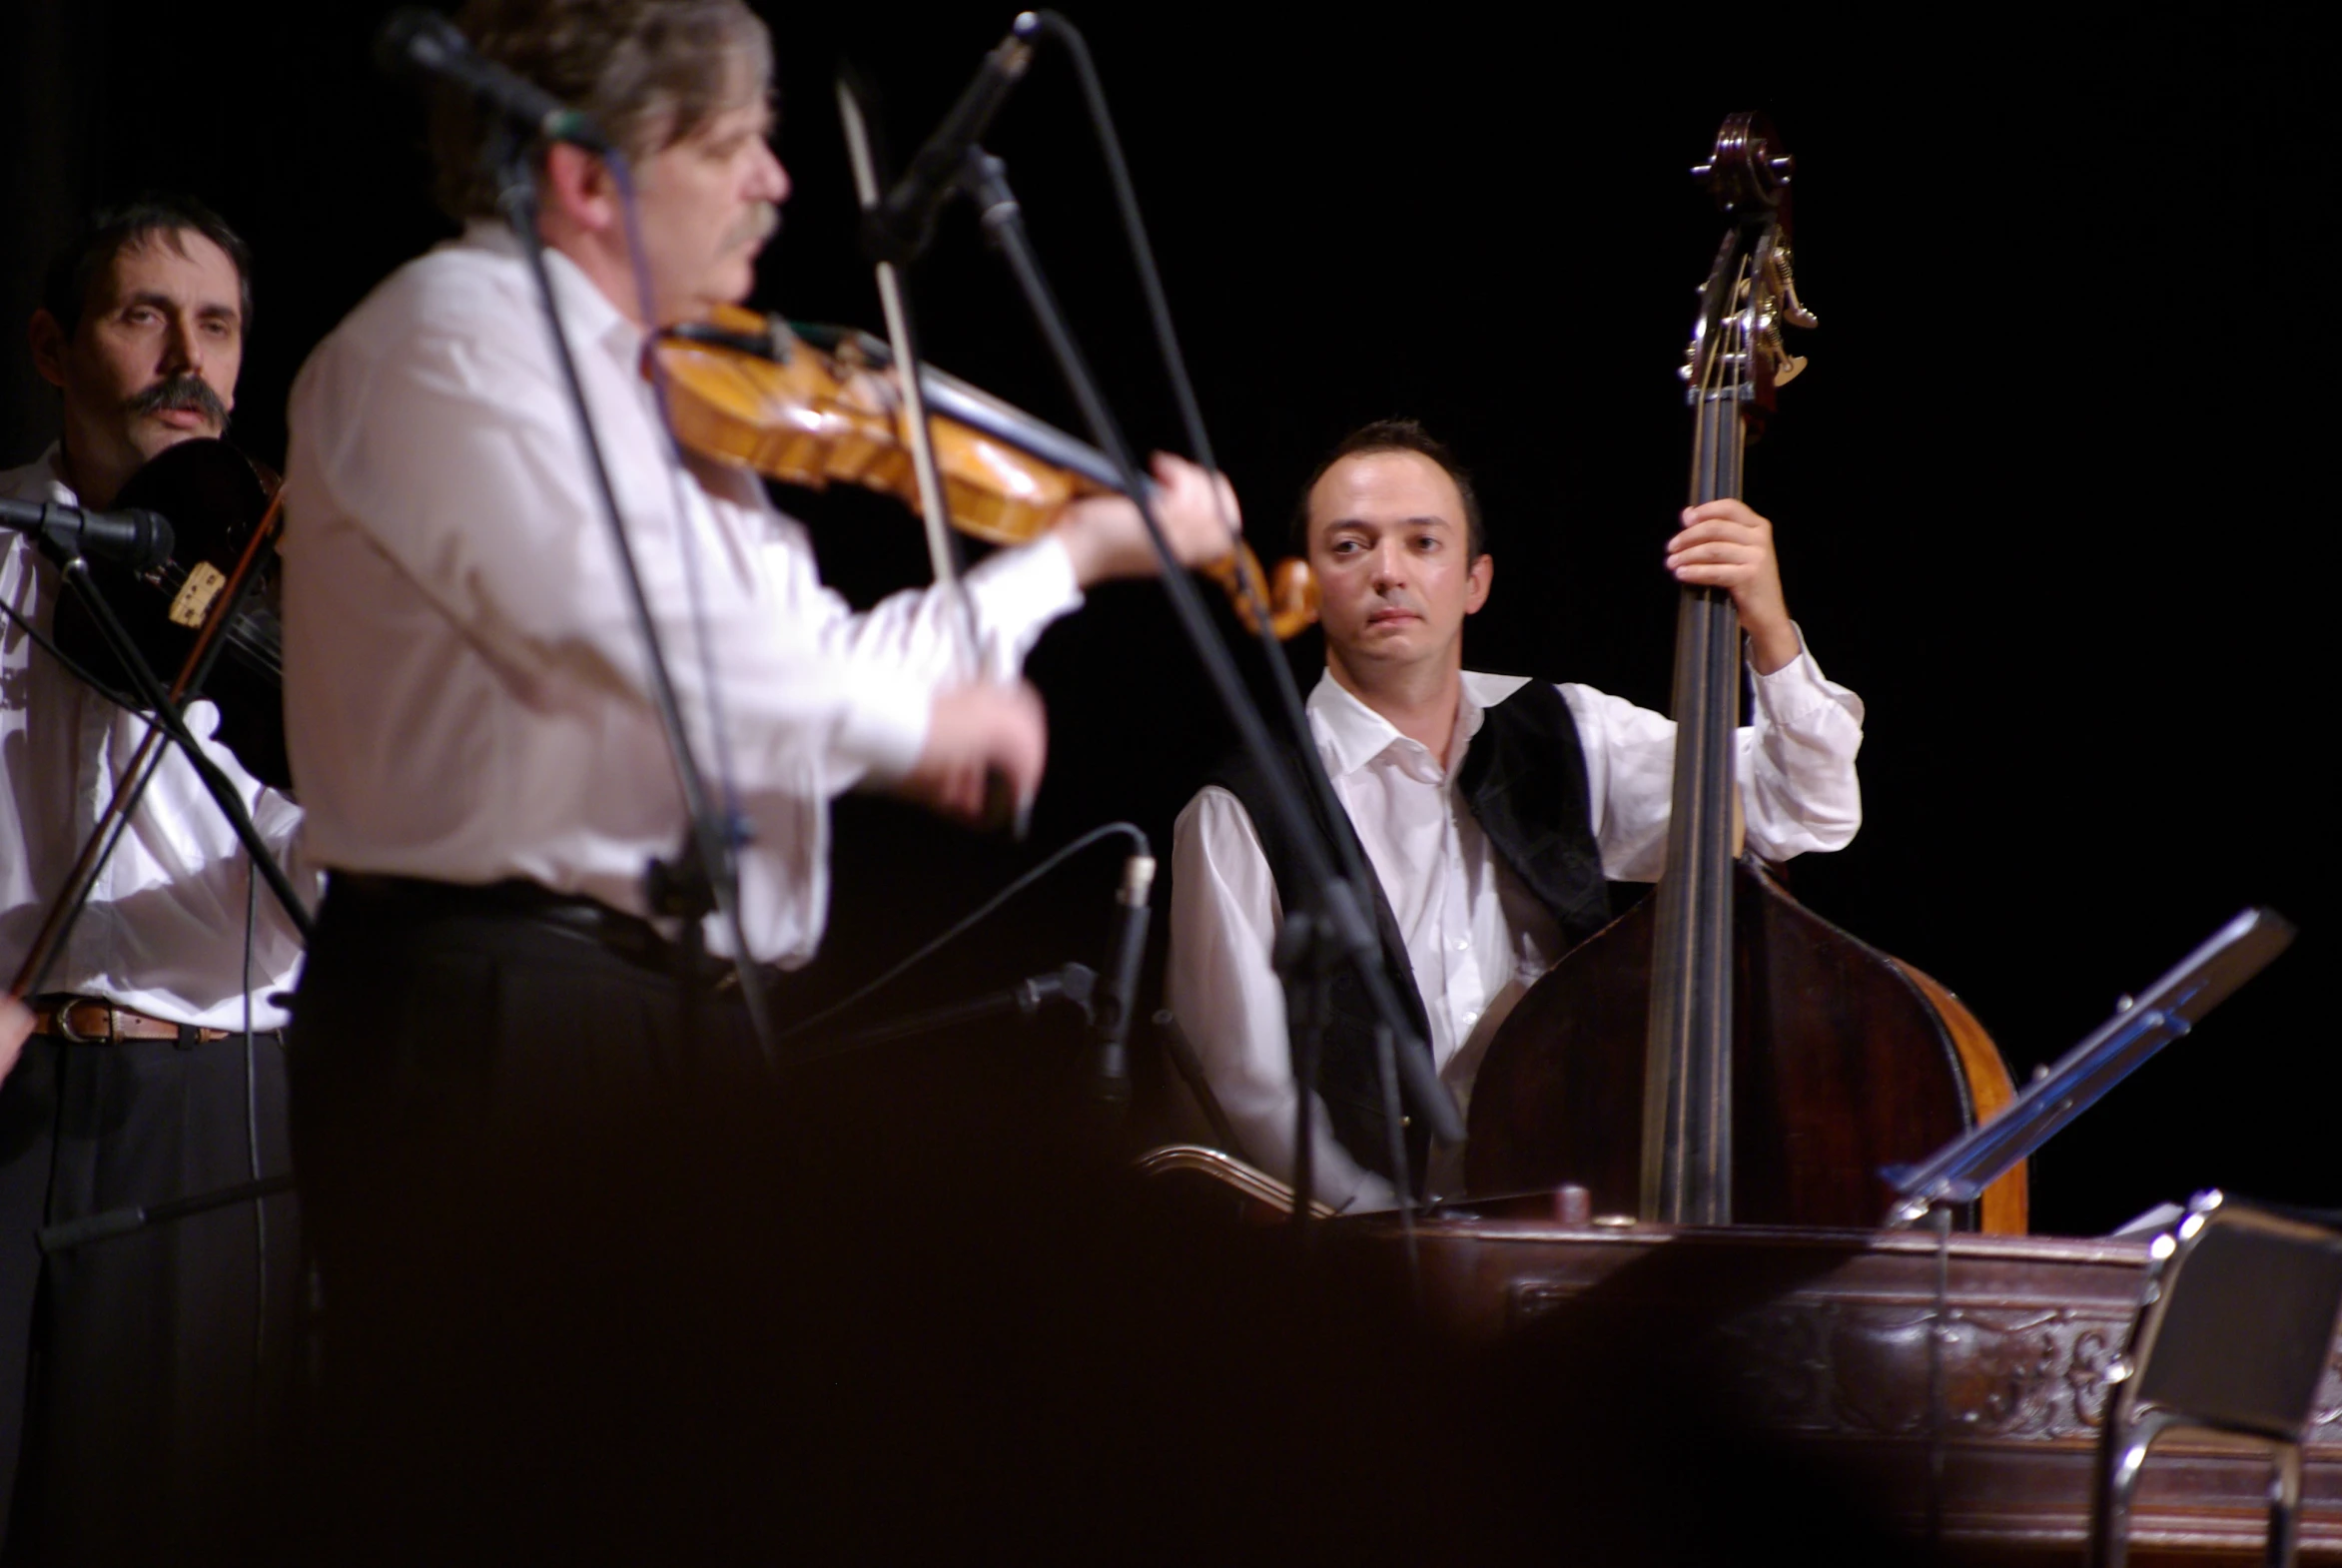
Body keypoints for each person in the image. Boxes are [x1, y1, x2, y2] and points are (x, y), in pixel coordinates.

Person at [275, 0, 1238, 1550]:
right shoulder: (449, 342)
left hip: (674, 1015)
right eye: (735, 143)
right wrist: (919, 731)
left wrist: (1066, 558)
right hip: (499, 1017)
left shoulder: (671, 395)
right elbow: (652, 644)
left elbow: (814, 661)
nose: (779, 183)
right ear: (591, 178)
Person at [1165, 418, 1865, 1210]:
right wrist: (1397, 1241)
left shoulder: (1570, 731)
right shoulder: (1241, 809)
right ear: (1303, 585)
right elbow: (1242, 1090)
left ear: (1475, 581)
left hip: (1572, 1227)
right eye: (1350, 546)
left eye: (1422, 543)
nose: (1388, 573)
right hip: (1362, 1270)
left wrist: (1767, 633)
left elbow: (1800, 812)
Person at [0, 198, 310, 1560]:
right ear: (55, 347)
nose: (189, 357)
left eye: (218, 324)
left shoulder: (313, 570)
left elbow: (359, 851)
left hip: (203, 1087)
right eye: (144, 317)